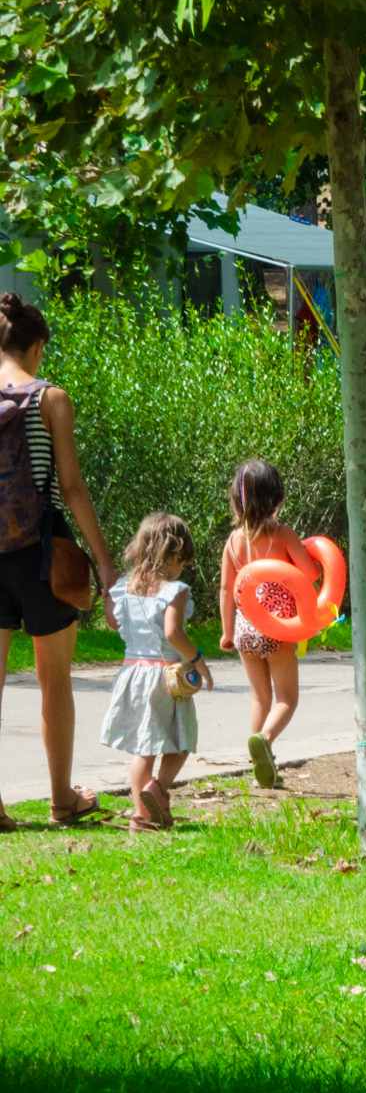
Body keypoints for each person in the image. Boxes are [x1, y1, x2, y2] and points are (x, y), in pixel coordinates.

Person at [0, 292, 119, 832]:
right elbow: (71, 488)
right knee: (55, 682)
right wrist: (104, 563)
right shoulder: (51, 399)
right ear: (38, 347)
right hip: (42, 553)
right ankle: (60, 801)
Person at [99, 513, 210, 834]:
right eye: (182, 560)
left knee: (143, 749)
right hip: (167, 677)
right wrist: (198, 660)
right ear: (172, 555)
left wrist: (107, 596)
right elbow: (173, 632)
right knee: (182, 740)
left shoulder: (123, 589)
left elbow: (113, 622)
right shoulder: (175, 590)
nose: (182, 567)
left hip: (133, 673)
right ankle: (158, 789)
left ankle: (142, 814)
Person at [219, 459, 318, 789]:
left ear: (236, 500)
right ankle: (265, 739)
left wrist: (226, 632)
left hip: (246, 628)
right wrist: (316, 562)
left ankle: (260, 765)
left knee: (259, 698)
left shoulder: (233, 541)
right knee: (286, 699)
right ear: (278, 498)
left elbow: (226, 589)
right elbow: (309, 574)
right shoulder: (283, 535)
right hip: (278, 627)